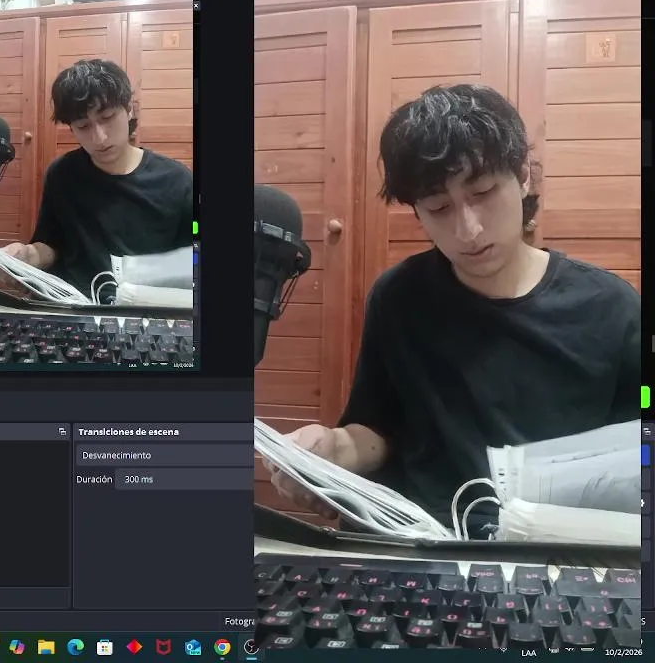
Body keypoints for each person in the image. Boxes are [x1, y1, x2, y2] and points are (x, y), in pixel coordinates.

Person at [264, 84, 640, 534]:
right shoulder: (399, 297)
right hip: (424, 540)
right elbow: (377, 431)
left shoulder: (611, 308)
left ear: (523, 176)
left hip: (552, 549)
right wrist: (330, 449)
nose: (468, 230)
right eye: (439, 207)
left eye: (483, 192)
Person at [0, 59, 193, 301]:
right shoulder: (62, 174)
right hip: (73, 306)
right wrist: (29, 255)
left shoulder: (177, 181)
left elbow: (189, 264)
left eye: (107, 117)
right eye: (83, 126)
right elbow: (52, 244)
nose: (99, 138)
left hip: (144, 311)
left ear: (129, 109)